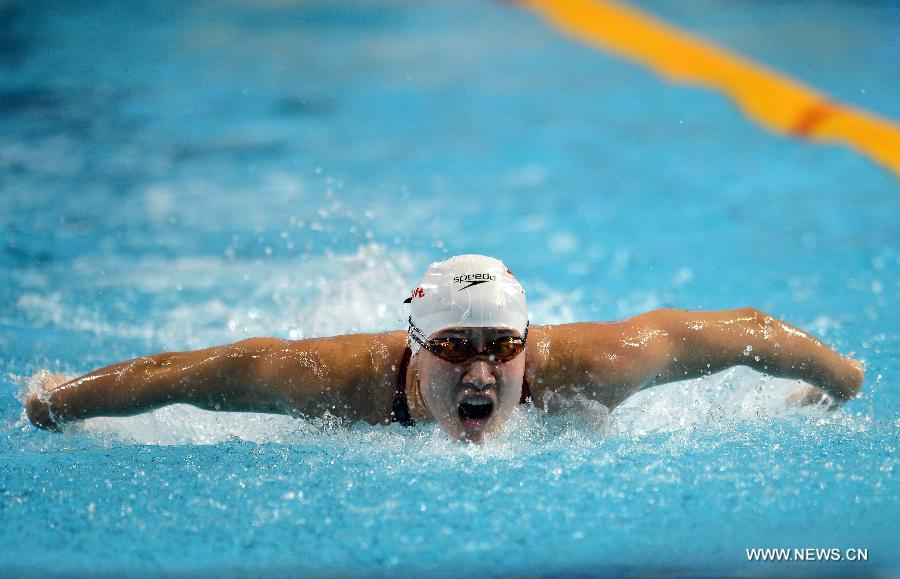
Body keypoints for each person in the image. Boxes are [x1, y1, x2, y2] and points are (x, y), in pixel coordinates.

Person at [25, 255, 864, 443]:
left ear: (529, 347)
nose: (479, 370)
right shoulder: (333, 379)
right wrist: (59, 401)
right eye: (455, 347)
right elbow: (193, 373)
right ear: (415, 348)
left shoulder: (599, 364)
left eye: (500, 347)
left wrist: (840, 380)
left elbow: (737, 330)